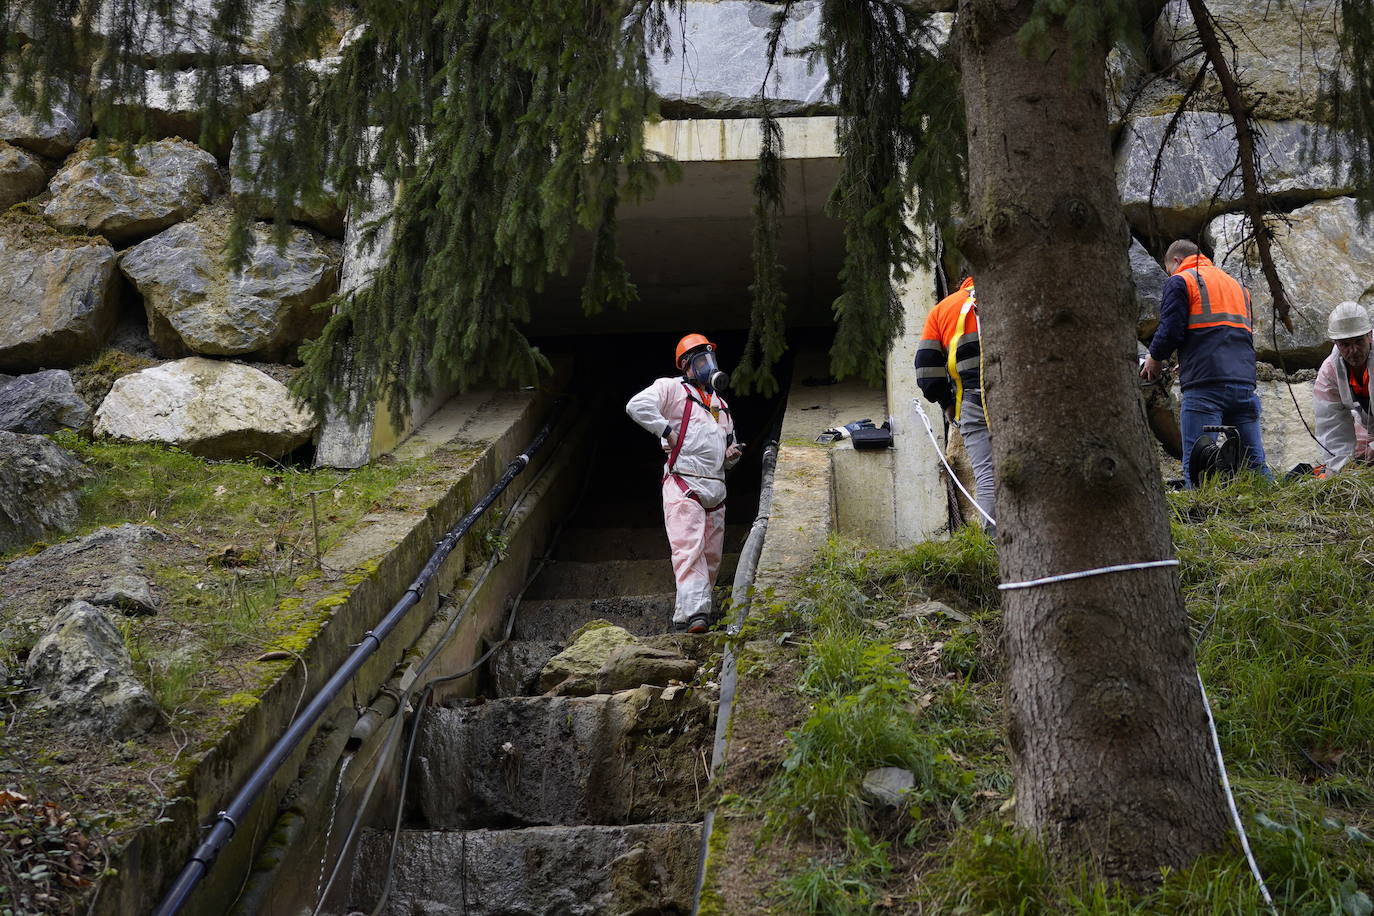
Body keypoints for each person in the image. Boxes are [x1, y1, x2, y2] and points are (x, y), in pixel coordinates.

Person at [626, 334, 742, 634]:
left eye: (710, 360)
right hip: (683, 482)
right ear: (687, 366)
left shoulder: (721, 405)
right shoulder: (671, 389)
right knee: (688, 550)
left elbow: (725, 452)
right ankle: (697, 614)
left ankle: (684, 617)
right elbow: (637, 406)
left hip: (716, 487)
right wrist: (666, 430)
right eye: (701, 361)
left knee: (712, 557)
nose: (708, 366)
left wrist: (731, 456)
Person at [1140, 239, 1270, 485]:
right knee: (1254, 462)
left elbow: (1171, 331)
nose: (1172, 273)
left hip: (1205, 385)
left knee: (1198, 463)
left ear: (1176, 261)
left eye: (1170, 268)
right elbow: (1228, 333)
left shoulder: (1182, 280)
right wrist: (1187, 359)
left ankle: (1201, 521)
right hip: (1243, 383)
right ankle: (1273, 511)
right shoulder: (1237, 287)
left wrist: (1154, 358)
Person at [916, 275, 995, 528]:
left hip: (973, 401)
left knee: (987, 476)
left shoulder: (943, 309)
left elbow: (927, 369)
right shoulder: (1013, 295)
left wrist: (947, 402)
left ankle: (995, 547)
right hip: (1021, 399)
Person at [1313, 301, 1373, 473]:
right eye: (1345, 344)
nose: (1353, 350)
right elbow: (1331, 424)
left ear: (1369, 335)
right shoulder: (1329, 372)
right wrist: (1343, 468)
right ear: (1335, 343)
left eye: (1359, 342)